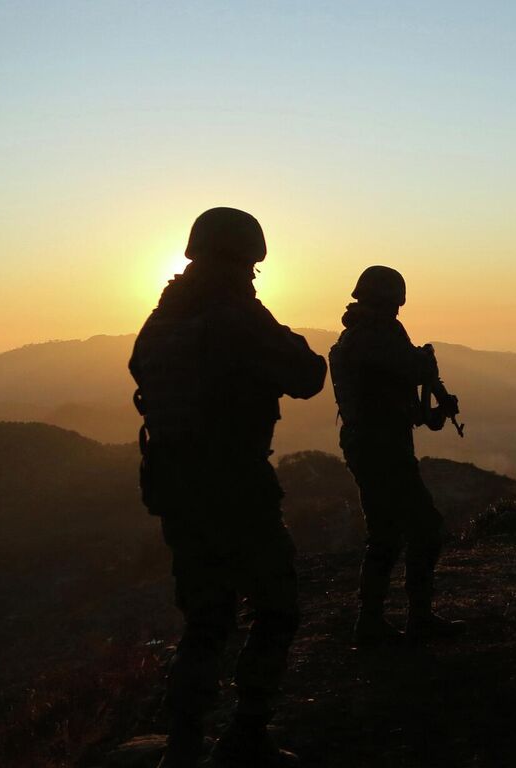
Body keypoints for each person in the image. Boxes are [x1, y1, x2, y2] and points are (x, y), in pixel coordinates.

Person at [130, 207, 326, 767]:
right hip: (236, 487)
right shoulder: (235, 316)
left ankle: (184, 747)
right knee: (277, 606)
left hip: (175, 488)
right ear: (246, 258)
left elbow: (140, 372)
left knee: (206, 618)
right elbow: (307, 376)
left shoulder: (160, 319)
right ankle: (245, 736)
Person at [328, 265, 464, 647]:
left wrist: (433, 411)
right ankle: (414, 619)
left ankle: (371, 621)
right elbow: (409, 369)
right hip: (378, 445)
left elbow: (401, 397)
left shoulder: (372, 335)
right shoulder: (369, 338)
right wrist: (426, 365)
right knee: (424, 527)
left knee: (385, 533)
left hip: (377, 442)